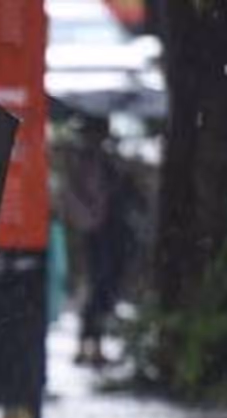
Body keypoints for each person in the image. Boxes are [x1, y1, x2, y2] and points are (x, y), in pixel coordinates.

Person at [62, 116, 133, 366]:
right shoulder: (83, 161)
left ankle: (96, 344)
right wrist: (88, 217)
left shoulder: (107, 160)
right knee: (96, 285)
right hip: (94, 230)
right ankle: (86, 344)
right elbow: (74, 197)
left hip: (111, 231)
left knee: (105, 287)